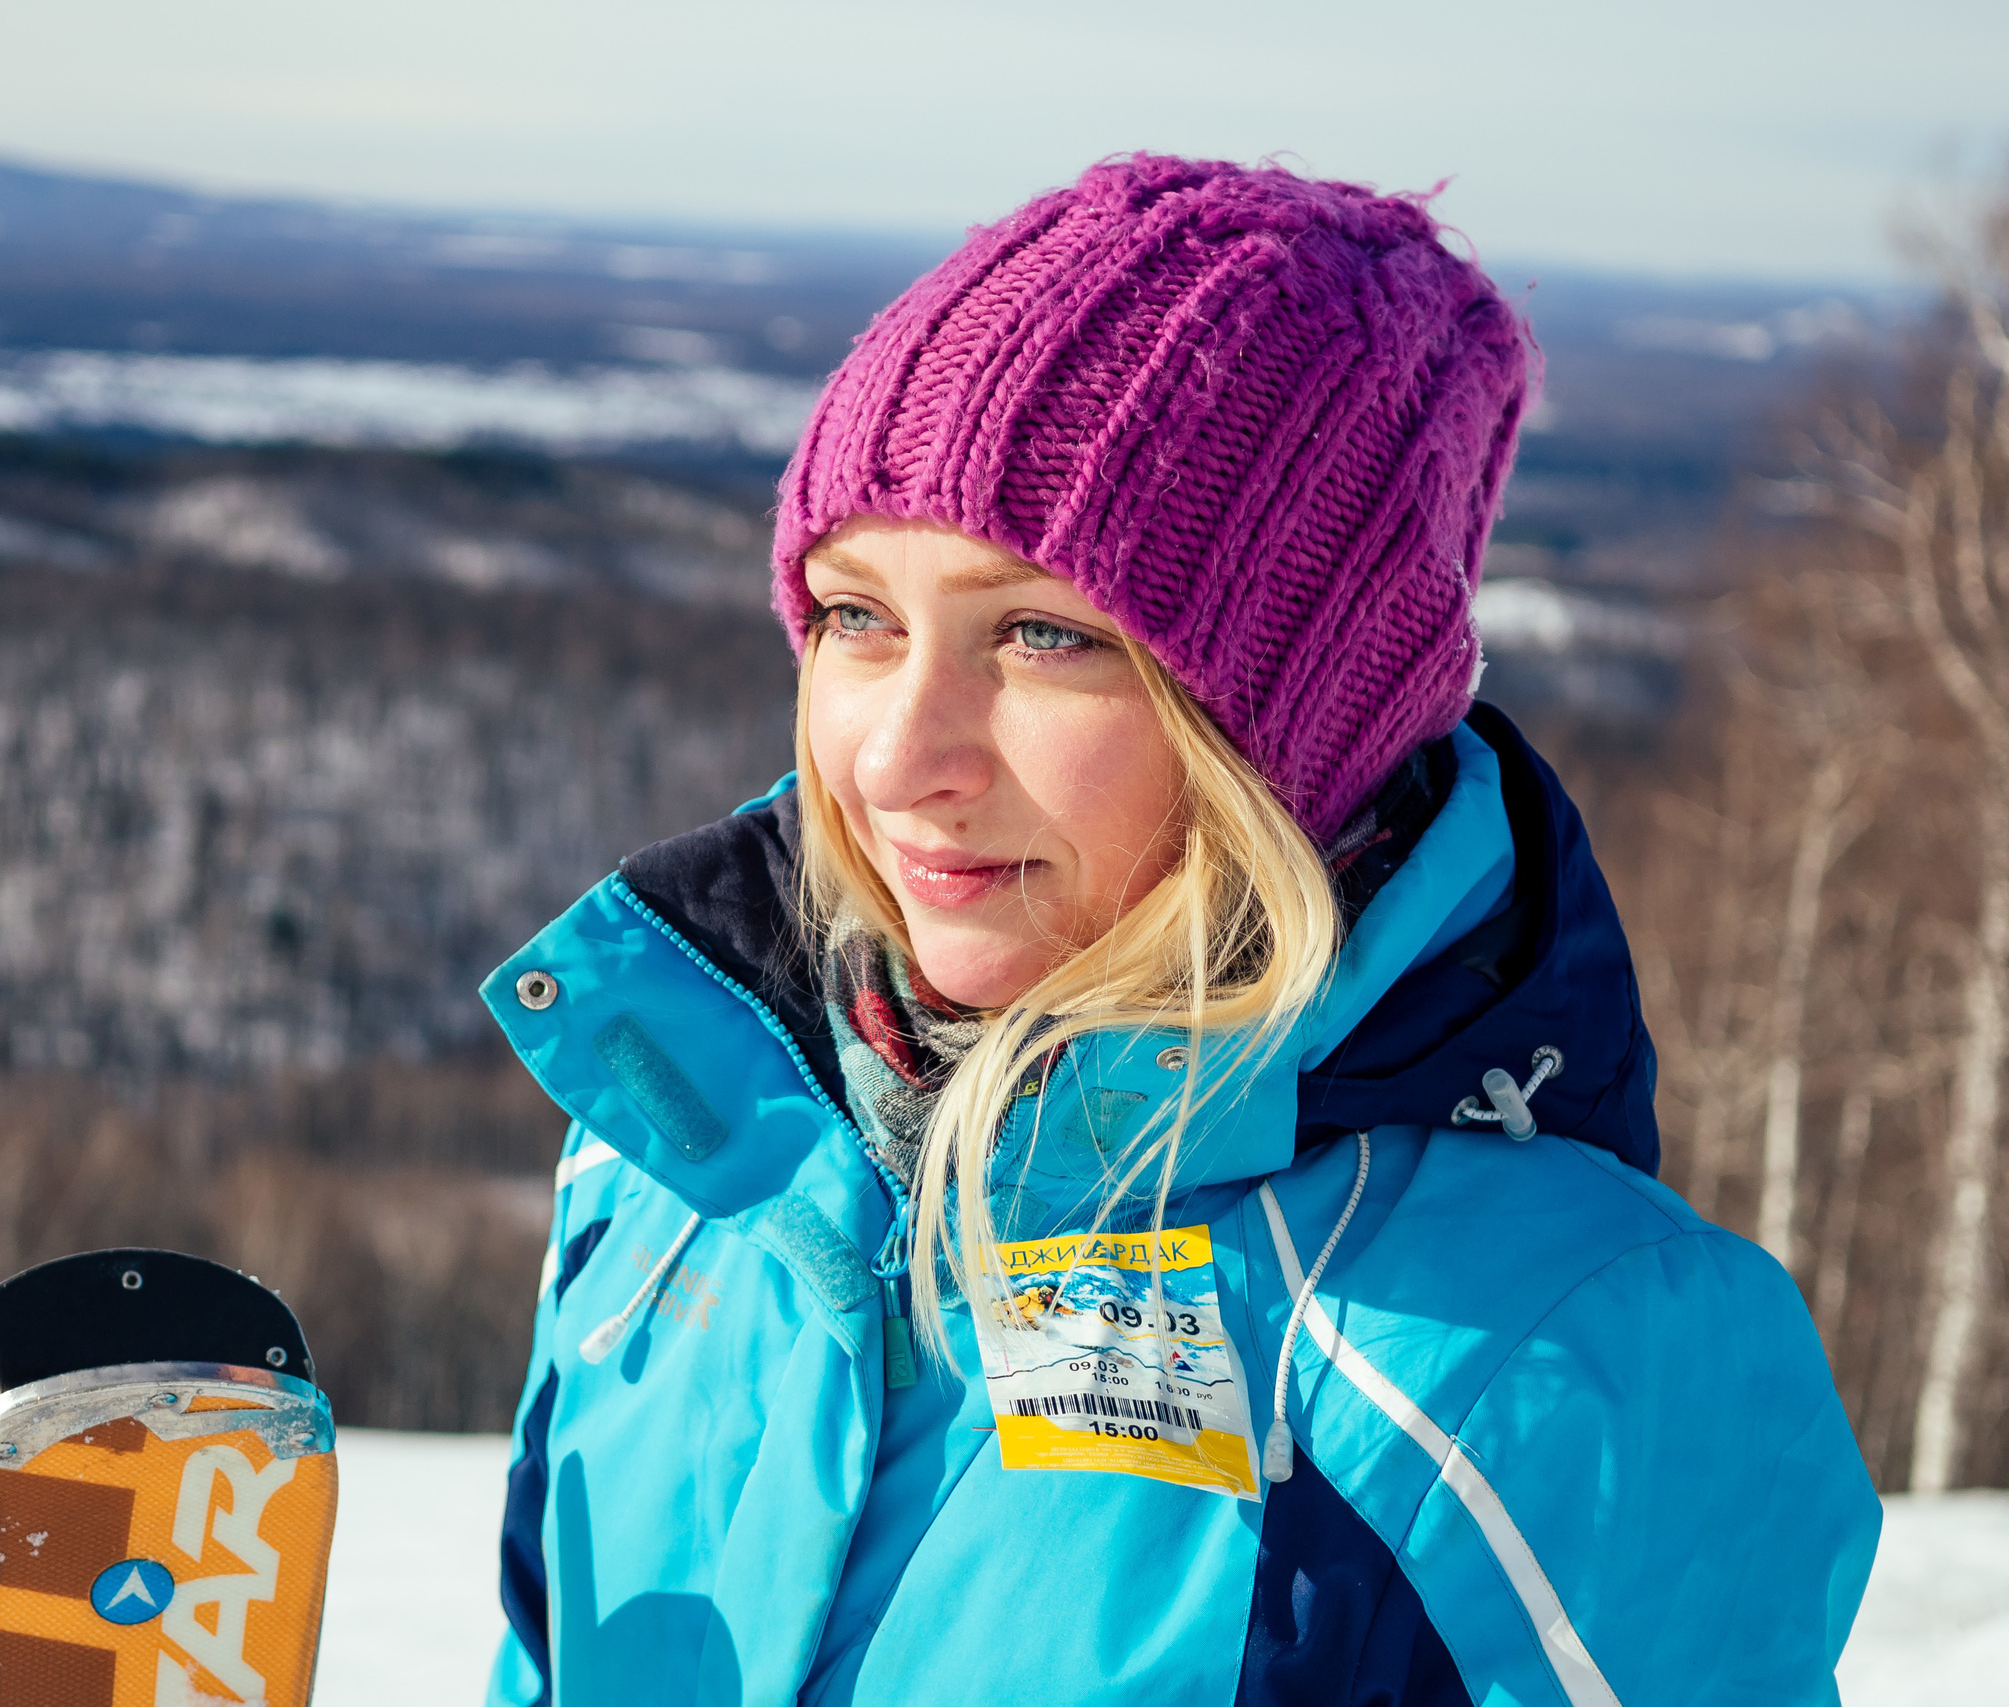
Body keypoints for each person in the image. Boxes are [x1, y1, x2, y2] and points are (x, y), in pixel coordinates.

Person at [477, 155, 1879, 1707]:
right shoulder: (688, 1149)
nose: (892, 759)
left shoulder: (1552, 1352)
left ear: (1288, 739)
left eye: (1045, 635)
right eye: (859, 615)